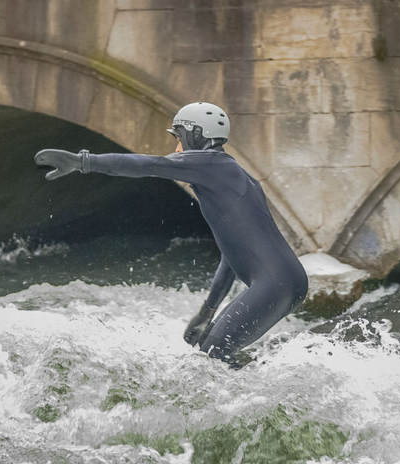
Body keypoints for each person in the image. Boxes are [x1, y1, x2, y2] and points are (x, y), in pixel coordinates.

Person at [34, 102, 308, 366]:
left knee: (213, 354)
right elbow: (232, 255)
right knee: (216, 354)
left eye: (179, 138)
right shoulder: (231, 175)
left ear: (197, 135)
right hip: (289, 282)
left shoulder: (210, 164)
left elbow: (150, 165)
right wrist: (206, 313)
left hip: (274, 285)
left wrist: (84, 161)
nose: (177, 148)